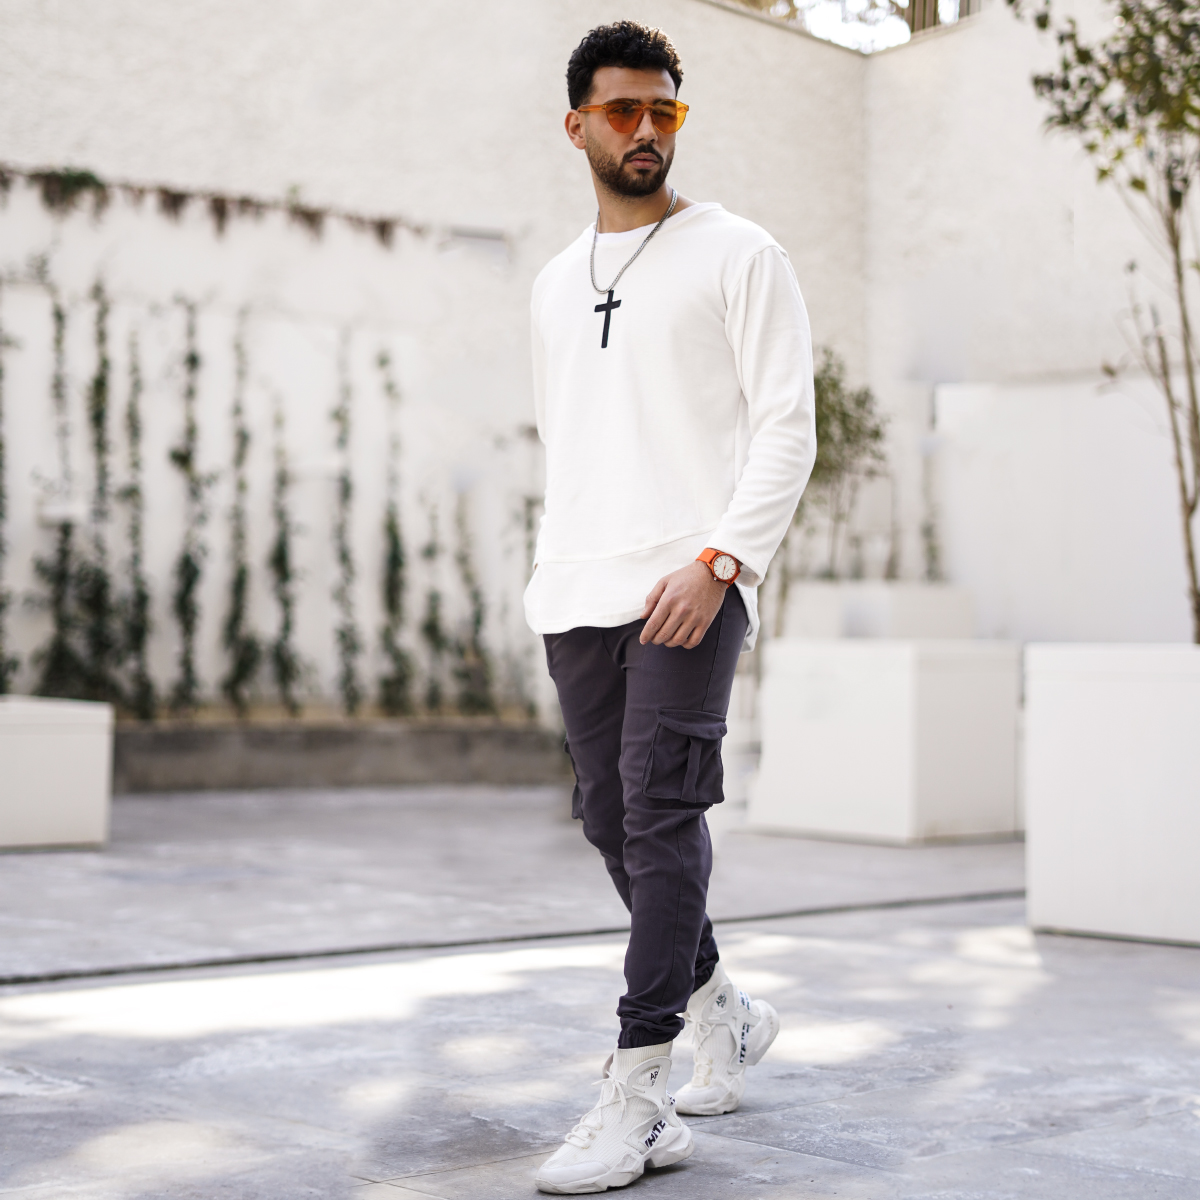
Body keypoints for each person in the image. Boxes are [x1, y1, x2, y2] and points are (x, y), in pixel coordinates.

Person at [525, 20, 816, 1195]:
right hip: (578, 588)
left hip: (693, 584)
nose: (647, 129)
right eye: (624, 111)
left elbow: (787, 426)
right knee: (611, 822)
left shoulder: (739, 253)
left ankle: (638, 1092)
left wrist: (721, 562)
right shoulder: (555, 283)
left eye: (666, 110)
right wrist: (554, 573)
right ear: (578, 126)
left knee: (659, 816)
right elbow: (571, 443)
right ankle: (724, 1009)